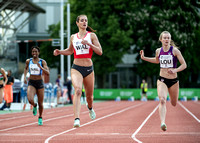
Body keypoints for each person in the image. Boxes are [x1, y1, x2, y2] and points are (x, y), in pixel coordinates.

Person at [53, 14, 103, 128]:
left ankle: (90, 108)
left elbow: (100, 52)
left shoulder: (92, 36)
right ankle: (76, 119)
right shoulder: (73, 37)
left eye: (86, 20)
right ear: (77, 23)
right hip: (76, 68)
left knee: (90, 97)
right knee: (78, 91)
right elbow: (70, 51)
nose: (84, 22)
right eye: (82, 20)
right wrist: (60, 52)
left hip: (89, 69)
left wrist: (89, 44)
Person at [140, 31, 187, 131]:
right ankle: (162, 123)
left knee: (174, 103)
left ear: (170, 40)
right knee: (162, 100)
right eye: (165, 38)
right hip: (162, 79)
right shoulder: (158, 51)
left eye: (168, 38)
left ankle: (170, 105)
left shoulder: (175, 51)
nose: (167, 40)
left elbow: (184, 65)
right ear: (161, 39)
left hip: (174, 80)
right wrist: (144, 58)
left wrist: (175, 70)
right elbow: (157, 61)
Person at [24, 46, 49, 125]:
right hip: (31, 82)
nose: (34, 53)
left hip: (39, 83)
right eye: (33, 52)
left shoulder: (42, 61)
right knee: (30, 99)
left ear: (38, 52)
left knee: (40, 103)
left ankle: (40, 117)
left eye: (36, 52)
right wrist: (24, 77)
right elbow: (25, 68)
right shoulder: (28, 61)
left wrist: (40, 67)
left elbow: (47, 72)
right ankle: (34, 105)